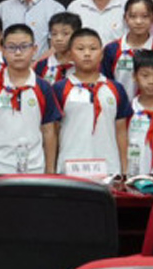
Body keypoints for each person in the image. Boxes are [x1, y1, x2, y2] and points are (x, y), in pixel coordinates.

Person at [0, 24, 61, 174]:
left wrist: (50, 170)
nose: (18, 53)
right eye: (11, 47)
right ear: (3, 50)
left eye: (24, 47)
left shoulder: (43, 87)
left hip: (34, 168)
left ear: (34, 49)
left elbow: (49, 131)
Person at [53, 28, 131, 175]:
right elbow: (53, 132)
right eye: (80, 49)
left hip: (109, 169)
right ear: (70, 54)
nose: (87, 54)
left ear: (101, 54)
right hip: (70, 168)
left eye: (93, 49)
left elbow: (121, 132)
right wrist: (52, 169)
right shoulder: (59, 89)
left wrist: (124, 170)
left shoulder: (116, 89)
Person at [101, 0, 153, 101]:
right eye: (133, 16)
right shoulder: (112, 50)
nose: (138, 22)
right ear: (125, 18)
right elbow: (106, 84)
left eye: (145, 16)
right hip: (119, 108)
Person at [34, 12, 81, 85]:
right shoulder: (41, 66)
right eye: (54, 34)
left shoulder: (84, 64)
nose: (58, 38)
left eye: (65, 33)